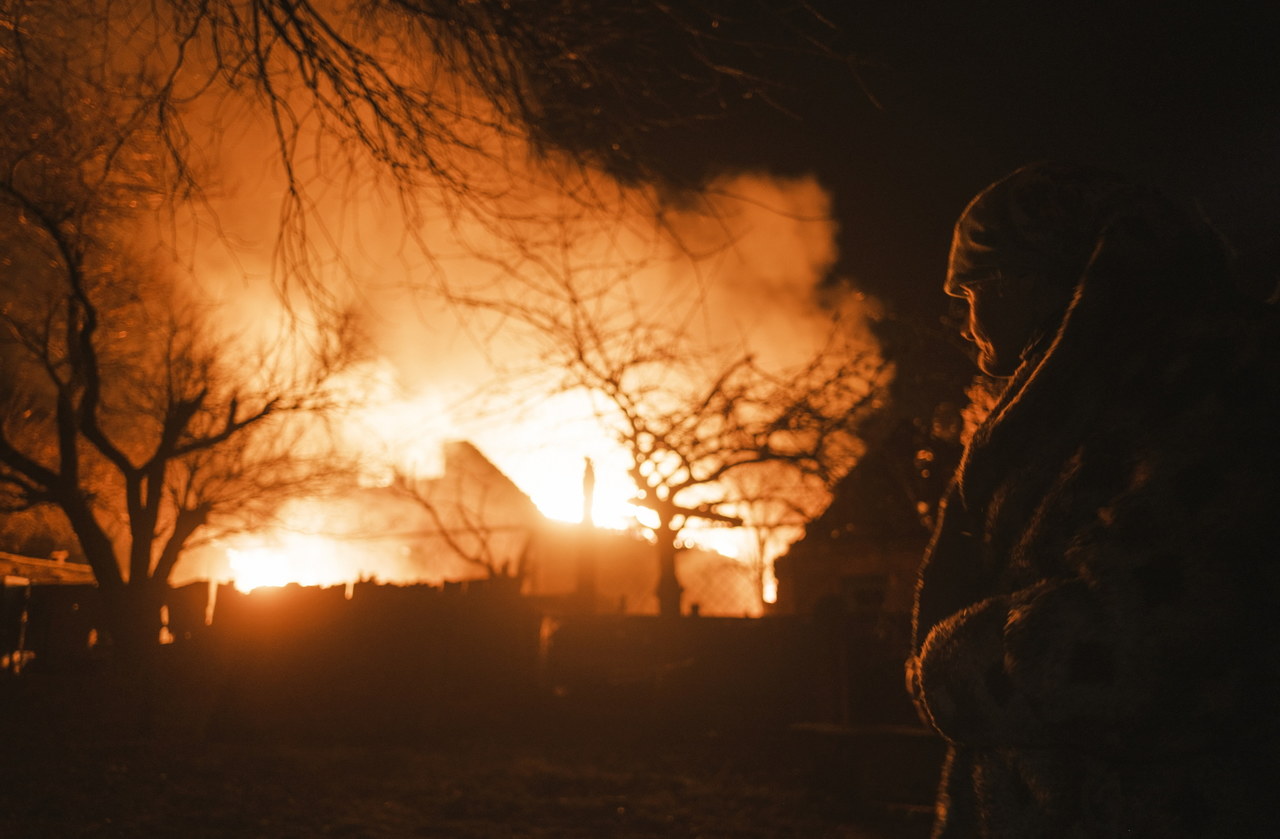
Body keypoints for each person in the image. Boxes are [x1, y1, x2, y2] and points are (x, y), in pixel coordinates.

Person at [907, 162, 1280, 837]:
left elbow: (1150, 624)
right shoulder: (1087, 393)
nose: (964, 322)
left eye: (972, 289)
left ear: (1041, 281)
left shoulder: (1199, 386)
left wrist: (957, 663)